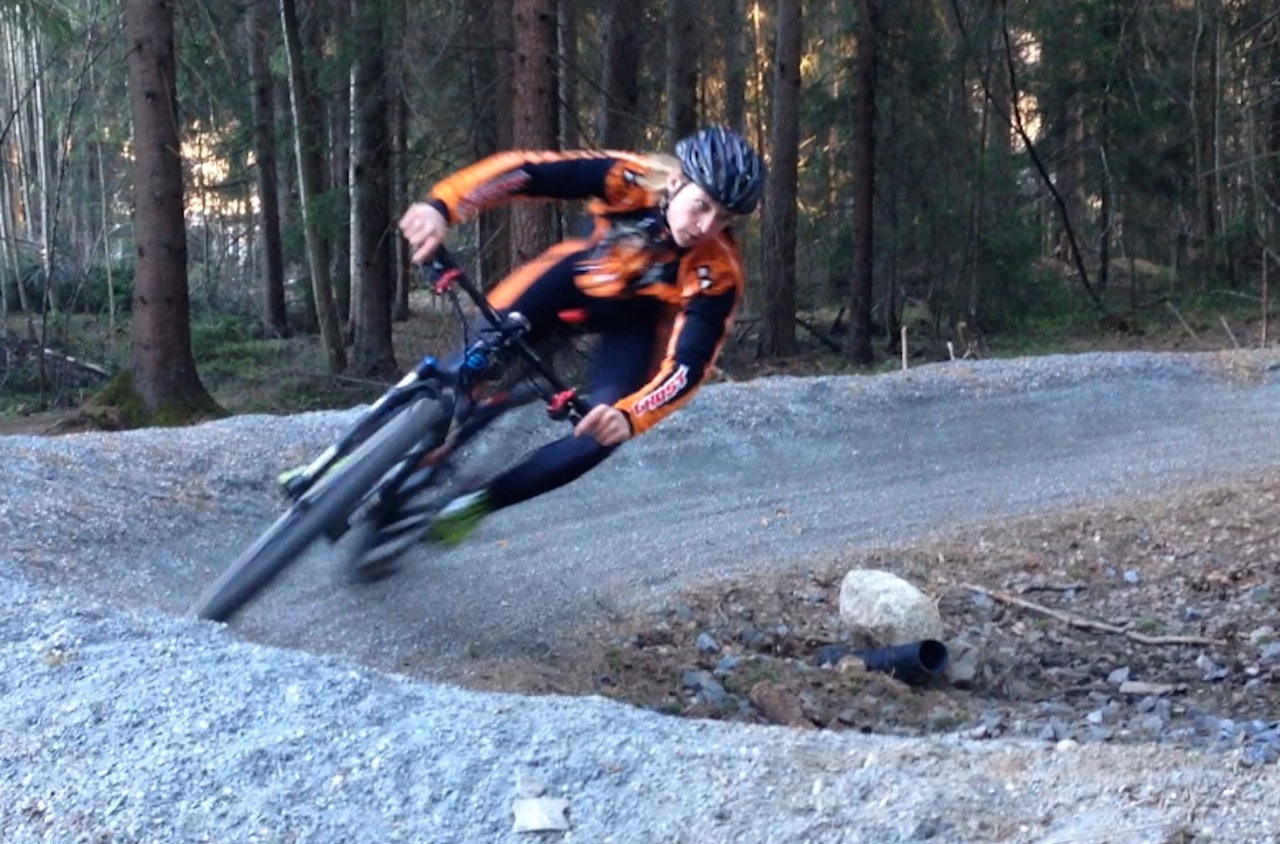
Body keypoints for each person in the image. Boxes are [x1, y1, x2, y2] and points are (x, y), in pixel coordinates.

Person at [398, 126, 765, 545]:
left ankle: (477, 504)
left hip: (634, 327)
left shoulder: (716, 270)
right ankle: (360, 458)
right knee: (466, 361)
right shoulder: (632, 179)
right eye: (702, 206)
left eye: (724, 218)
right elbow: (529, 172)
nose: (707, 226)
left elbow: (688, 366)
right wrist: (441, 207)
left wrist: (630, 415)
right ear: (679, 181)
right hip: (574, 279)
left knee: (599, 436)